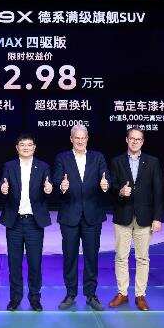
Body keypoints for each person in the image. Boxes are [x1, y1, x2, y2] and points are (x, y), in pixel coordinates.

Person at [53, 123, 110, 311]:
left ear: (87, 139)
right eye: (76, 138)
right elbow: (56, 181)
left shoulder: (98, 157)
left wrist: (105, 185)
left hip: (92, 215)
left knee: (91, 257)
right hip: (69, 215)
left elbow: (106, 179)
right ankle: (70, 294)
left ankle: (91, 294)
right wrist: (62, 187)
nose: (79, 141)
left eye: (82, 137)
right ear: (71, 139)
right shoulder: (62, 158)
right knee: (69, 257)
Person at [108, 127, 163, 311]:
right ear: (127, 140)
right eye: (132, 138)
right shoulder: (117, 161)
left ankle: (140, 295)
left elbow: (157, 191)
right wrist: (120, 191)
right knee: (121, 257)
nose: (135, 142)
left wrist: (157, 217)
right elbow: (111, 188)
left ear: (142, 141)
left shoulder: (152, 162)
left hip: (145, 217)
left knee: (142, 258)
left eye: (138, 139)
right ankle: (122, 293)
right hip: (122, 215)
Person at [0, 133, 52, 311]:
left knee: (35, 263)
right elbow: (2, 186)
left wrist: (49, 189)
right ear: (17, 148)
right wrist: (3, 189)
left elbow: (48, 188)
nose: (26, 148)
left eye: (29, 145)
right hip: (14, 222)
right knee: (14, 263)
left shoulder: (43, 167)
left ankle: (35, 298)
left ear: (34, 148)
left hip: (34, 222)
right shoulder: (9, 166)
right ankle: (15, 298)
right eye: (22, 145)